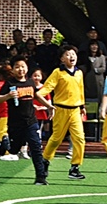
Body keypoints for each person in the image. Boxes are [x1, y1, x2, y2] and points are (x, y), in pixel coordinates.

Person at [0, 56, 51, 184]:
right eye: (17, 67)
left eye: (23, 66)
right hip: (15, 123)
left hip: (31, 121)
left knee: (36, 147)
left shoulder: (30, 82)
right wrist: (8, 96)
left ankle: (41, 177)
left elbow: (37, 96)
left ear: (27, 68)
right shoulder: (10, 83)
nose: (20, 69)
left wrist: (49, 106)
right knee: (13, 150)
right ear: (12, 69)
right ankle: (5, 143)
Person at [37, 45, 88, 181]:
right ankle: (45, 161)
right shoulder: (57, 72)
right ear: (61, 58)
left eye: (73, 54)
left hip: (76, 109)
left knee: (80, 139)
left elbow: (80, 90)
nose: (72, 56)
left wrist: (82, 105)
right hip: (61, 109)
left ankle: (75, 167)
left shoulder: (79, 73)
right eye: (68, 54)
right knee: (56, 139)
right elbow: (46, 89)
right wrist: (45, 102)